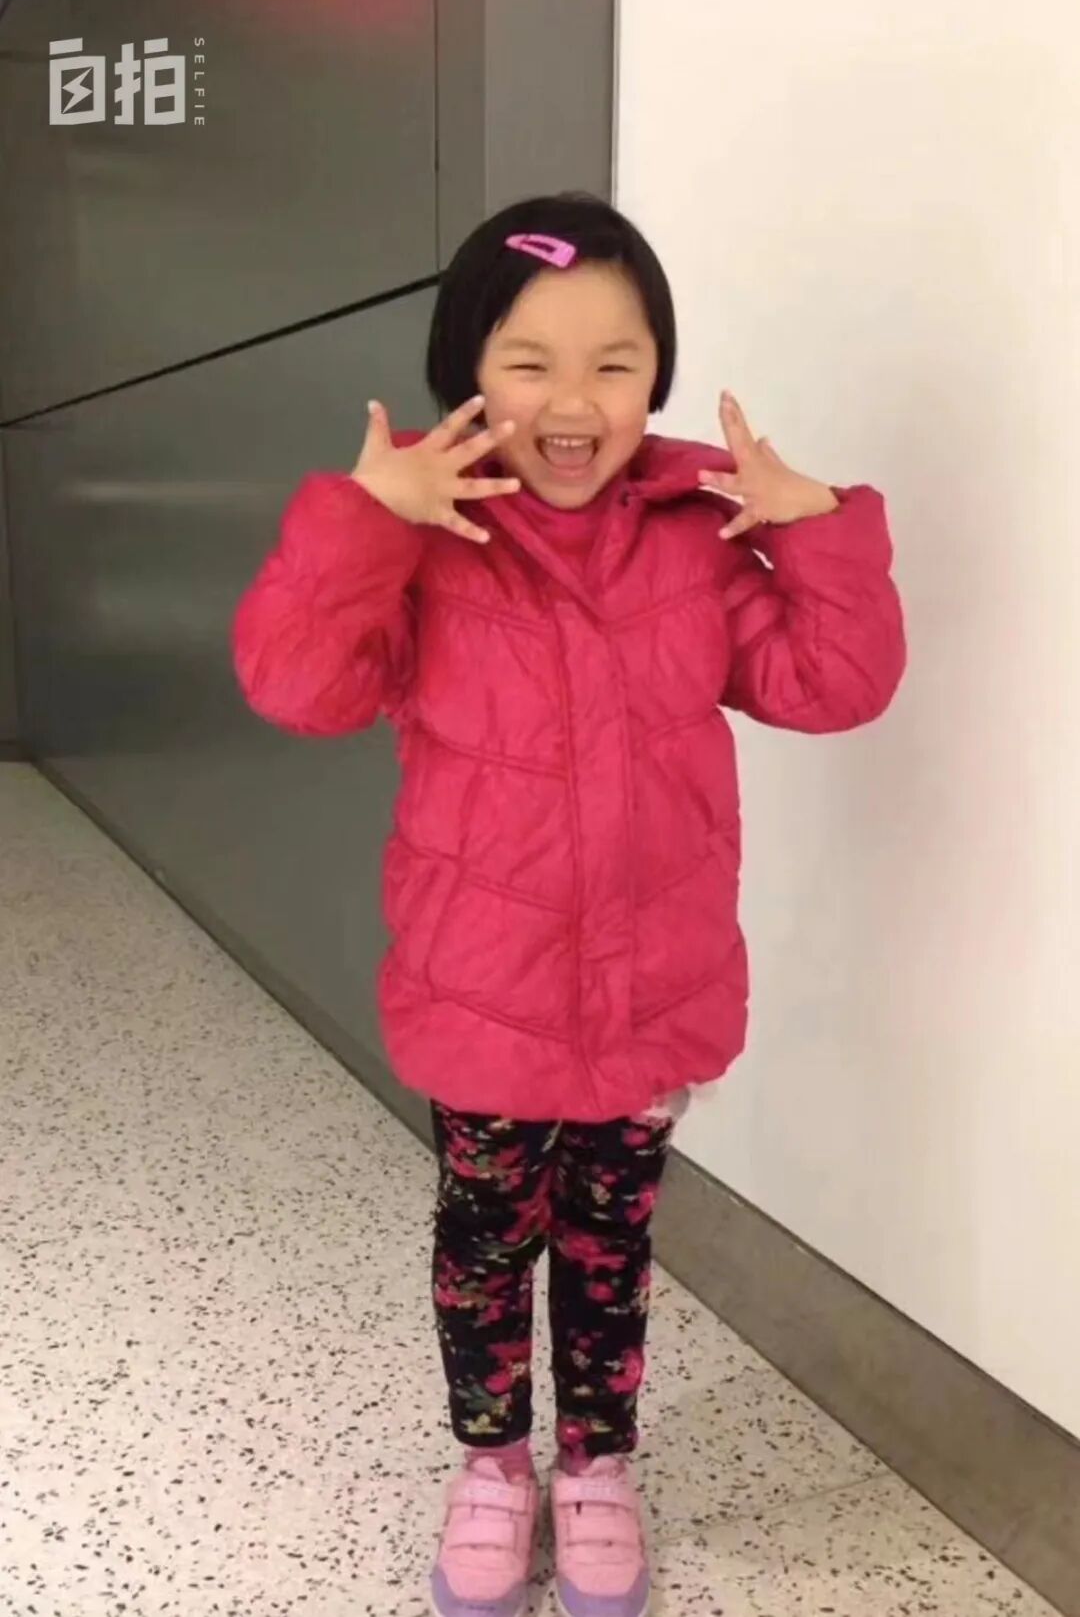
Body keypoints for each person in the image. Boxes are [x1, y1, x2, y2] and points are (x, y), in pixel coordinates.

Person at [232, 191, 906, 1617]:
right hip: (486, 991)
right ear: (468, 371)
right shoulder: (428, 538)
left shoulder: (693, 536)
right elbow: (296, 685)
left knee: (610, 1252)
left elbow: (831, 684)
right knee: (485, 1249)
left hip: (647, 994)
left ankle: (597, 1469)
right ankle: (492, 1467)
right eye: (530, 362)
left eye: (616, 362)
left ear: (657, 375)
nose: (575, 402)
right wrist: (364, 524)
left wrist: (819, 530)